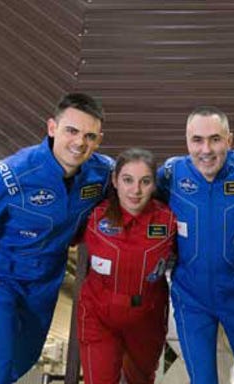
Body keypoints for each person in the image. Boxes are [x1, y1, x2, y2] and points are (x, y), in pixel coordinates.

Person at [0, 93, 113, 383]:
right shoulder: (9, 175)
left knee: (22, 362)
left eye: (89, 136)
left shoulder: (102, 174)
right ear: (52, 128)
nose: (79, 143)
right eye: (71, 131)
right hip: (1, 280)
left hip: (47, 284)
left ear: (98, 139)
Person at [156, 106, 234, 384]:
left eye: (215, 139)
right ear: (187, 141)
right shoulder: (170, 173)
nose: (206, 149)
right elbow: (134, 201)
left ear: (230, 140)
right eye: (197, 140)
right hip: (190, 297)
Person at [77, 148, 176, 384]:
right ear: (114, 181)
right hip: (98, 315)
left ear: (154, 185)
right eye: (128, 180)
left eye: (145, 181)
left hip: (147, 317)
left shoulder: (169, 220)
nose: (136, 190)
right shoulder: (93, 217)